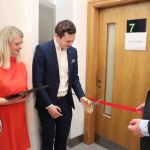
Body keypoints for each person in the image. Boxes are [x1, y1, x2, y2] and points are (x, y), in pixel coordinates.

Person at [32, 20, 93, 150]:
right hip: (48, 103)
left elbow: (74, 78)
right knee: (47, 140)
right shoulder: (42, 50)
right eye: (68, 41)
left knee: (62, 139)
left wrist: (82, 97)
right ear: (57, 36)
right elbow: (38, 82)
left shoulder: (72, 51)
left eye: (73, 40)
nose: (71, 44)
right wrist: (49, 105)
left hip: (65, 102)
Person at [0, 26, 30, 150]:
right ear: (6, 44)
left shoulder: (22, 66)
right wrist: (9, 101)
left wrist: (26, 94)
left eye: (21, 43)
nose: (21, 46)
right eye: (17, 43)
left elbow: (25, 90)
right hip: (3, 117)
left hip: (19, 116)